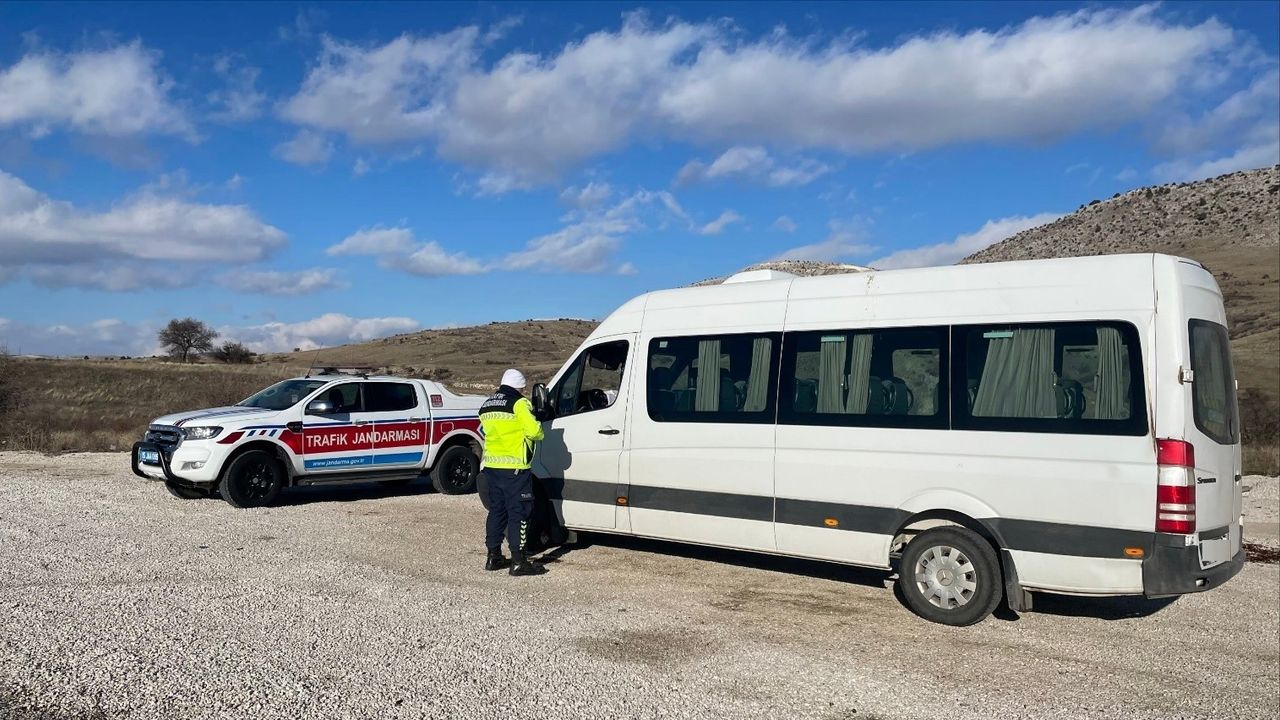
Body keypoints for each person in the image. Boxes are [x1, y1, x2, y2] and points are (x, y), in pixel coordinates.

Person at [477, 368, 547, 576]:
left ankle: (493, 556)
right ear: (520, 387)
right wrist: (538, 423)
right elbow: (535, 432)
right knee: (519, 513)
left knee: (497, 511)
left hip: (492, 467)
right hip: (515, 468)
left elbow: (485, 431)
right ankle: (519, 561)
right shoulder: (519, 403)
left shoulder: (487, 405)